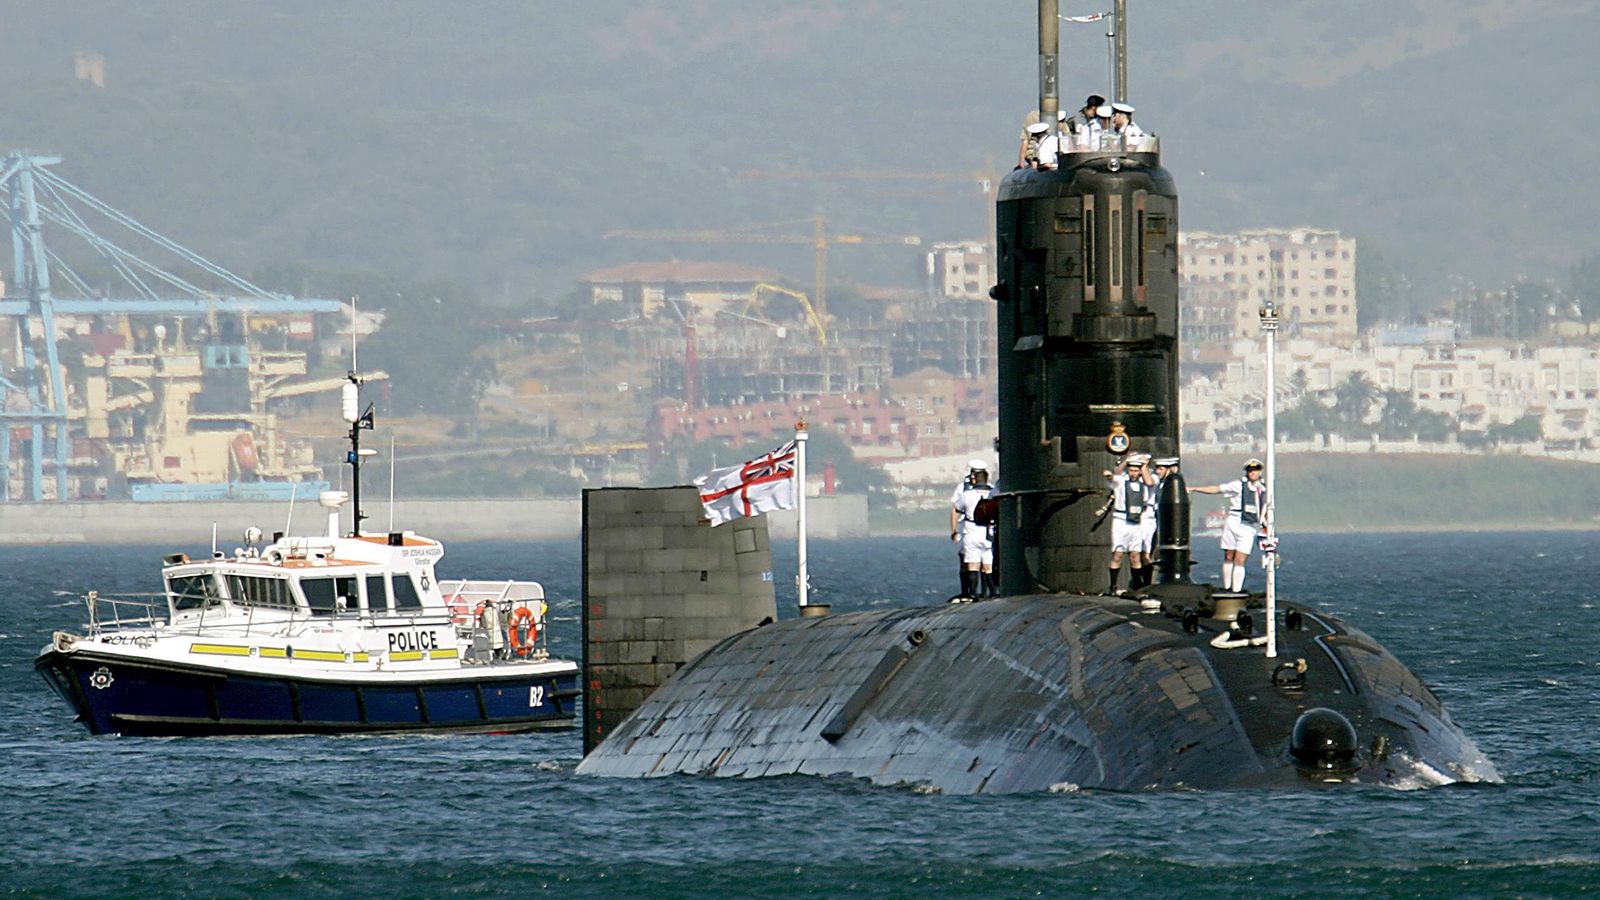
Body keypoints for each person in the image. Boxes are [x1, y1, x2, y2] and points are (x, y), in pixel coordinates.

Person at [1189, 458, 1267, 593]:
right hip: (1234, 520)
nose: (1253, 473)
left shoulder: (1265, 489)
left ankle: (1236, 590)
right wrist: (1195, 488)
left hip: (1249, 525)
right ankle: (1227, 587)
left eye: (1255, 470)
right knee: (1229, 555)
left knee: (1240, 559)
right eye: (1250, 471)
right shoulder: (1238, 485)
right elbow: (1217, 489)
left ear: (1260, 472)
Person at [1102, 453, 1155, 594]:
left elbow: (1150, 482)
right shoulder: (1120, 481)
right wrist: (1126, 461)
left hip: (1136, 522)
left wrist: (1143, 464)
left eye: (1136, 470)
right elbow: (1114, 475)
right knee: (1118, 554)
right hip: (1121, 521)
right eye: (1131, 470)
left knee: (1135, 556)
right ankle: (1113, 587)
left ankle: (1138, 587)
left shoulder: (1145, 483)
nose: (1133, 473)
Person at [950, 459, 996, 600]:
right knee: (988, 565)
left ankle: (972, 594)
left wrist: (953, 530)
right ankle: (992, 593)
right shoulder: (995, 491)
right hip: (990, 532)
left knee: (972, 564)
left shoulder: (967, 494)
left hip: (972, 531)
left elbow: (956, 509)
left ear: (974, 478)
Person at [1139, 456, 1181, 585]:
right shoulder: (1157, 479)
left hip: (1158, 517)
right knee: (1142, 551)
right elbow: (1149, 481)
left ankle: (1149, 581)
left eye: (1161, 469)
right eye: (1157, 468)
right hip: (1147, 515)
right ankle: (1143, 582)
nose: (1158, 471)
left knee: (1151, 551)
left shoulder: (1169, 482)